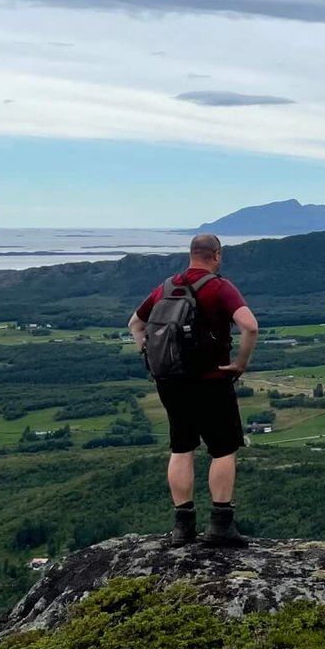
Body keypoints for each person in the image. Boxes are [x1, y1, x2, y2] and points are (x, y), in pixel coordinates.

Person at [128, 233, 259, 547]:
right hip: (212, 381)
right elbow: (250, 326)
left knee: (181, 448)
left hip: (171, 382)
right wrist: (240, 364)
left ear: (191, 254)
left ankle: (183, 527)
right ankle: (220, 525)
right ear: (216, 255)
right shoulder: (219, 287)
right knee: (223, 449)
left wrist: (149, 357)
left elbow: (135, 322)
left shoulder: (168, 286)